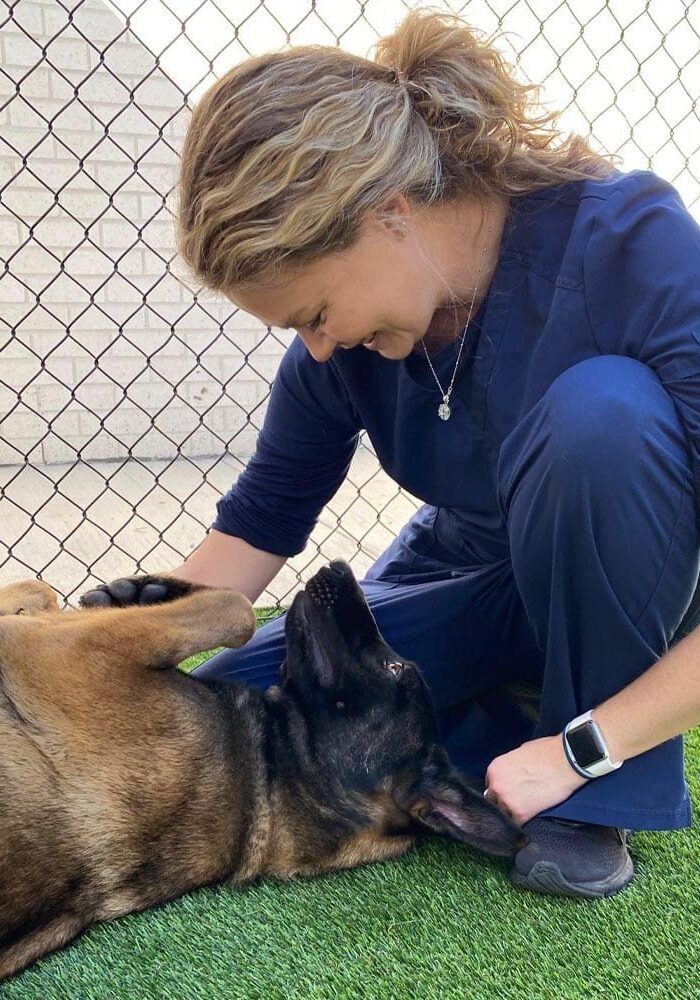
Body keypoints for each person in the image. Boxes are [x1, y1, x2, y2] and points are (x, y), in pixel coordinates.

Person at [85, 10, 700, 899]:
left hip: (624, 587)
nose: (318, 348)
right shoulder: (339, 359)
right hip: (467, 581)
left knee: (600, 418)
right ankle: (496, 718)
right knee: (230, 711)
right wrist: (125, 653)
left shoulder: (631, 248)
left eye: (313, 313)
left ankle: (593, 780)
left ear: (389, 210)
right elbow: (252, 534)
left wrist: (582, 752)